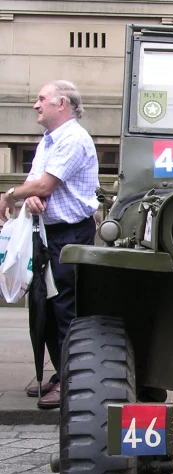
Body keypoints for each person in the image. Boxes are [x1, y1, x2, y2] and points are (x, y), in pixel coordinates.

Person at [0, 80, 99, 409]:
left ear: (63, 104)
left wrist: (11, 195)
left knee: (65, 309)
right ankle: (60, 374)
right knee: (45, 305)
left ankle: (71, 381)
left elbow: (43, 183)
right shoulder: (49, 140)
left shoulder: (73, 138)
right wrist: (30, 199)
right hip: (48, 233)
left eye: (42, 99)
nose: (35, 105)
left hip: (70, 235)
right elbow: (36, 184)